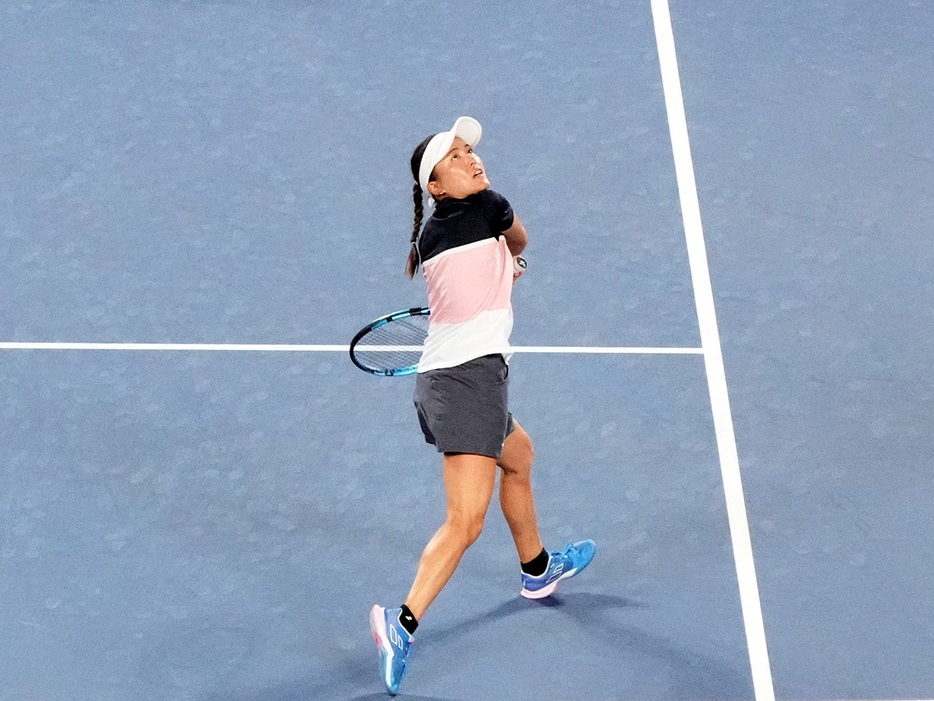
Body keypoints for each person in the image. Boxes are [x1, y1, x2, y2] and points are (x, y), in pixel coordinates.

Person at [369, 116, 596, 695]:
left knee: (518, 458)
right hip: (468, 383)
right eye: (456, 157)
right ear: (436, 187)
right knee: (465, 521)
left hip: (454, 381)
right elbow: (520, 240)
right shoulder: (490, 206)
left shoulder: (430, 236)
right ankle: (402, 623)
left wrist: (500, 272)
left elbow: (488, 266)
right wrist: (512, 261)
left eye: (471, 150)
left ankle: (537, 570)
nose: (472, 159)